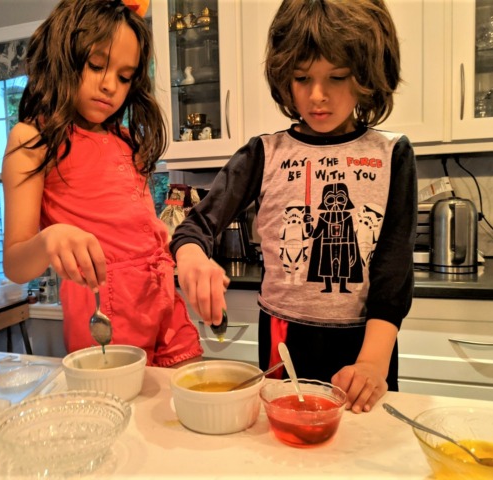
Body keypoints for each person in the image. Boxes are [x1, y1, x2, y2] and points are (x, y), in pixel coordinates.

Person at [170, 0, 416, 412]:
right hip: (284, 338)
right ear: (285, 78)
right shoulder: (264, 154)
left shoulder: (392, 154)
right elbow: (193, 227)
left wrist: (372, 363)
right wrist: (192, 259)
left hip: (366, 344)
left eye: (337, 76)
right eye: (302, 78)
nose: (317, 96)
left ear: (368, 75)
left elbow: (393, 276)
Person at [2, 0, 203, 367]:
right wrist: (51, 238)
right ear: (63, 56)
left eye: (125, 77)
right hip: (104, 311)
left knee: (189, 403)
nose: (110, 85)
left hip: (162, 297)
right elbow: (15, 265)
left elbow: (139, 230)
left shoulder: (128, 140)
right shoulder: (33, 139)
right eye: (96, 65)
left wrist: (189, 256)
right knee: (119, 417)